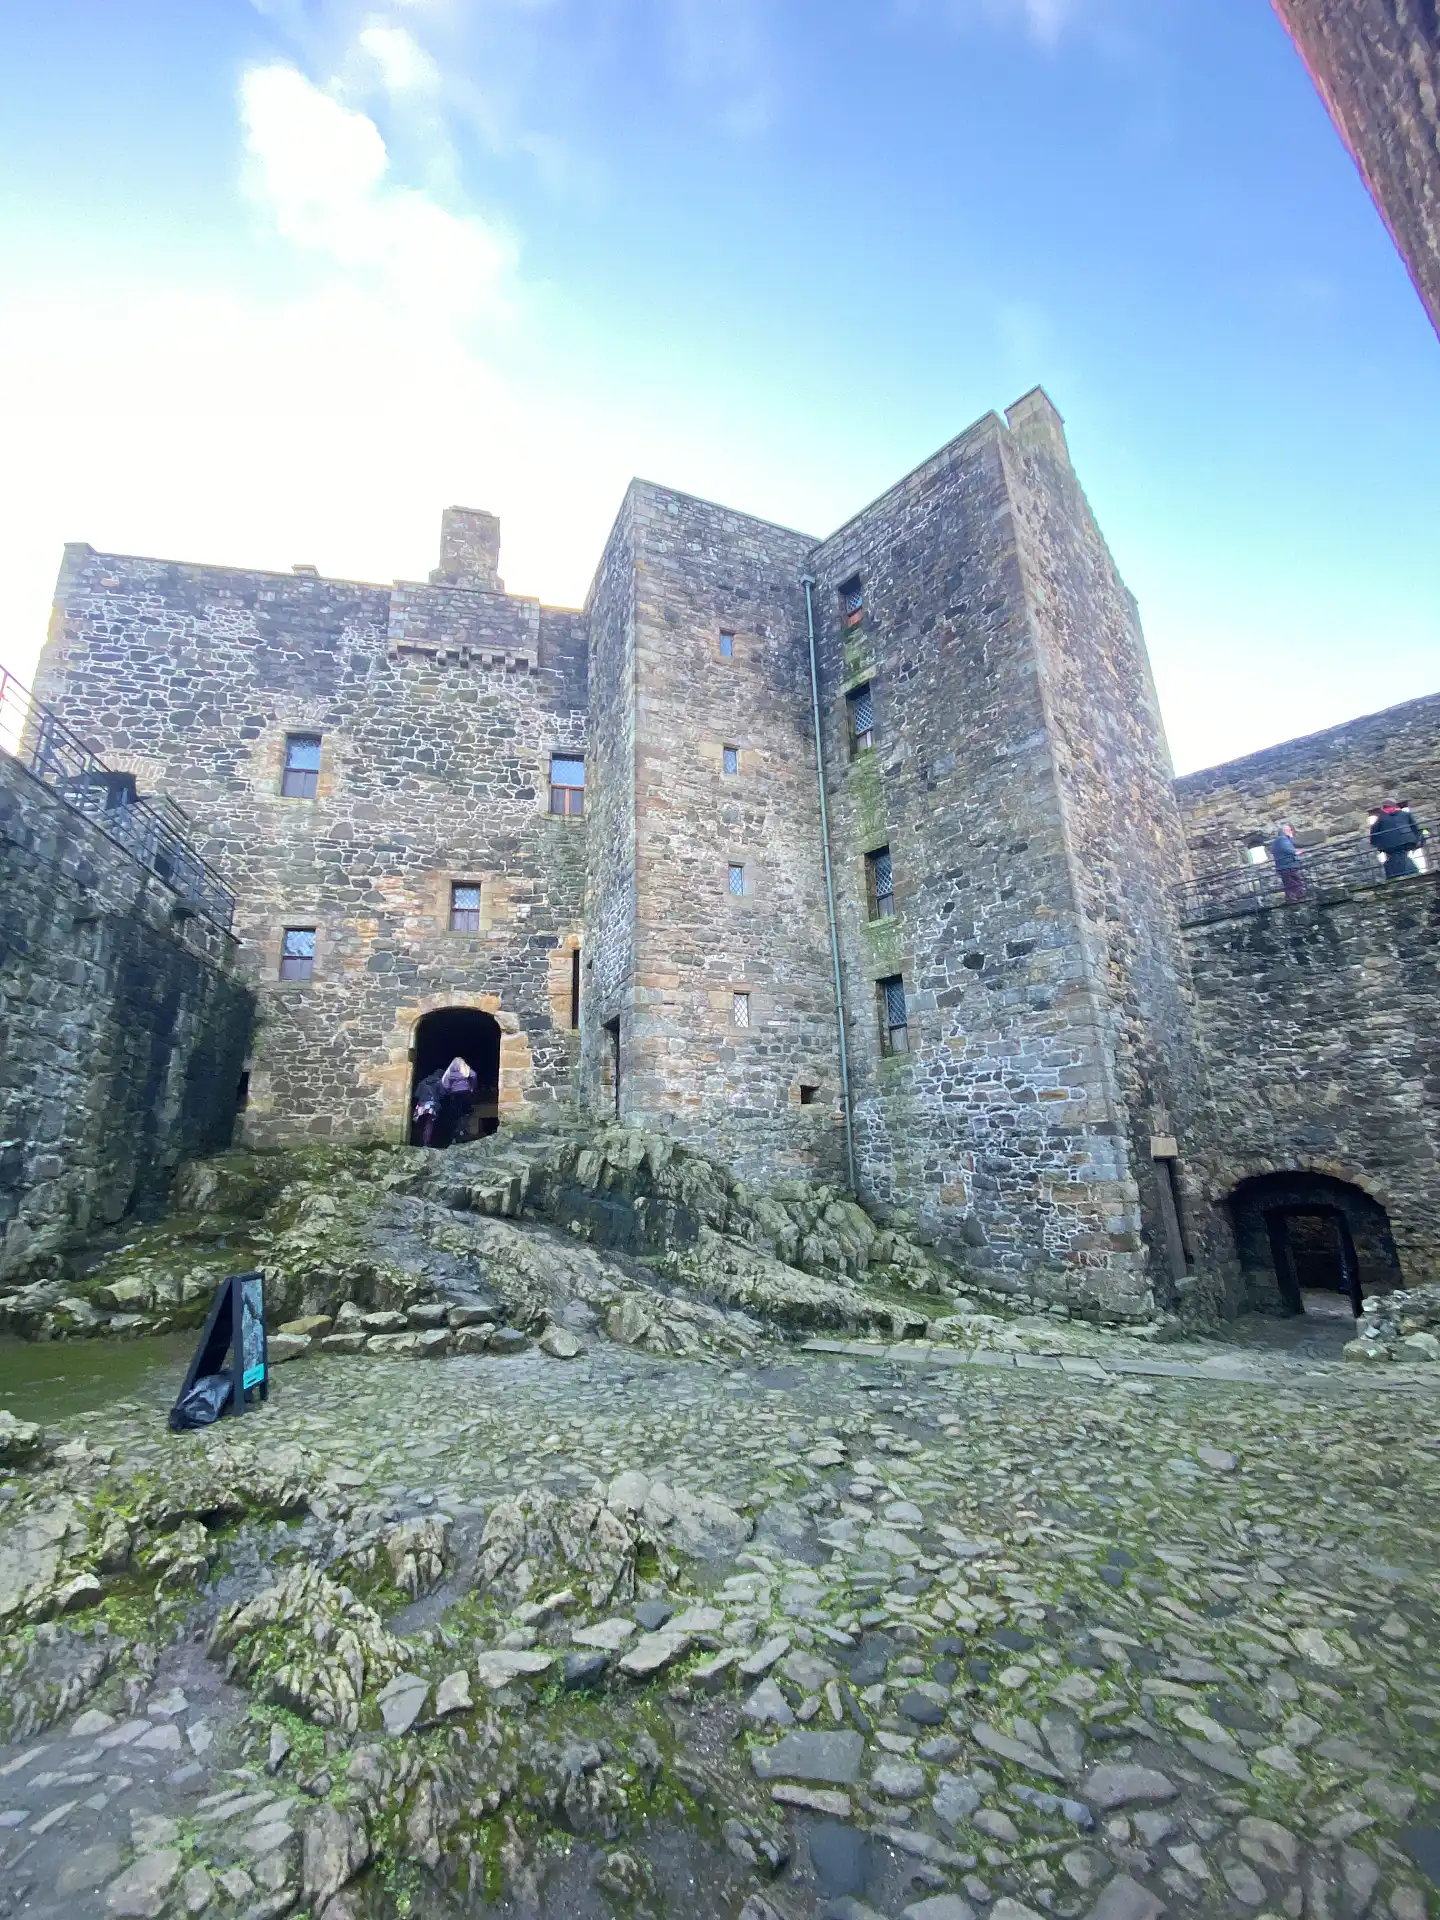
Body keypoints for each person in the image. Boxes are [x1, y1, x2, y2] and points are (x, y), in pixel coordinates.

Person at [1369, 798, 1428, 879]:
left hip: (1390, 843)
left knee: (1396, 858)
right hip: (1407, 839)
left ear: (1383, 807)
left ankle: (1398, 874)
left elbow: (1374, 832)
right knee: (1401, 856)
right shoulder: (1405, 814)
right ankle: (1410, 872)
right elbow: (1414, 827)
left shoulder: (1381, 818)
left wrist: (1377, 844)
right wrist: (1416, 839)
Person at [437, 1056, 478, 1148]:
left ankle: (457, 1133)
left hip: (455, 1094)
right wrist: (472, 1086)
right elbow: (474, 1075)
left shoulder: (451, 1072)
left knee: (457, 1113)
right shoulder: (465, 1070)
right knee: (466, 1112)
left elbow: (445, 1083)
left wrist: (449, 1091)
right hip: (466, 1092)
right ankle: (463, 1131)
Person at [1270, 822, 1305, 902]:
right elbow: (1286, 849)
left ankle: (1291, 898)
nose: (1292, 833)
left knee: (1289, 883)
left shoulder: (1278, 840)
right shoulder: (1283, 839)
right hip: (1288, 865)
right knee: (1294, 881)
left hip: (1283, 866)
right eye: (1290, 830)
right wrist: (1295, 852)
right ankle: (1299, 896)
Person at [412, 1066, 445, 1147]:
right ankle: (426, 1143)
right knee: (429, 1124)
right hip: (431, 1105)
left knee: (420, 1124)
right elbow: (442, 1094)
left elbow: (417, 1094)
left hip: (421, 1105)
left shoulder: (423, 1081)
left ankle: (419, 1143)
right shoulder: (439, 1082)